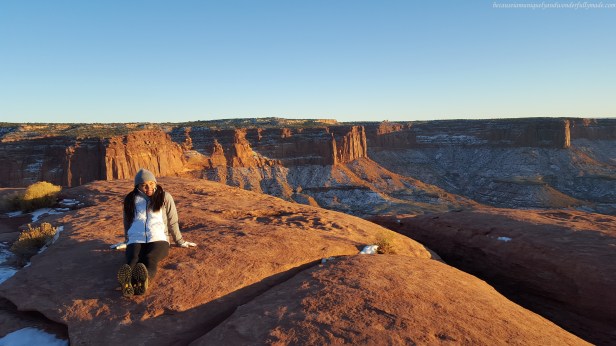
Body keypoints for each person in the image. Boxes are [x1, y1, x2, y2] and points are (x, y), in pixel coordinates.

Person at [117, 168, 196, 297]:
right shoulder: (130, 199)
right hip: (136, 238)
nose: (149, 187)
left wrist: (180, 241)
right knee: (132, 259)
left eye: (151, 183)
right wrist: (127, 241)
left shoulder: (164, 197)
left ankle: (142, 281)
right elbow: (127, 222)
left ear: (155, 182)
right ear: (137, 186)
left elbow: (172, 221)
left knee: (149, 259)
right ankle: (127, 283)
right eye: (144, 185)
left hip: (159, 238)